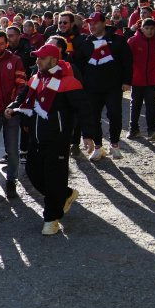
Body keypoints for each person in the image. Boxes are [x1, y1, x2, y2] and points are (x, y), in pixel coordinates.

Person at [7, 44, 96, 235]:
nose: (37, 61)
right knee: (32, 172)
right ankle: (64, 195)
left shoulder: (69, 82)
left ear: (53, 61)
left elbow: (85, 110)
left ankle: (51, 218)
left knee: (54, 178)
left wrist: (89, 135)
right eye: (37, 58)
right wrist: (13, 107)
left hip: (58, 139)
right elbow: (23, 97)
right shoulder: (35, 79)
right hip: (36, 138)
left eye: (41, 58)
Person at [76, 12, 132, 161]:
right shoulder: (86, 42)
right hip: (92, 88)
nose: (92, 26)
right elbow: (80, 64)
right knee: (94, 117)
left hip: (113, 86)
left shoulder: (118, 40)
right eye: (90, 23)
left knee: (114, 115)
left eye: (95, 23)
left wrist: (127, 81)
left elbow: (127, 62)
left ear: (103, 23)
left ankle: (114, 145)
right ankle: (99, 147)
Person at [0, 31, 27, 199]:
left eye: (2, 43)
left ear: (6, 43)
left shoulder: (16, 61)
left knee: (12, 150)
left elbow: (21, 86)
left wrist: (14, 106)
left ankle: (11, 181)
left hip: (11, 113)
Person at [127, 19, 155, 141]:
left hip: (153, 78)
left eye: (152, 28)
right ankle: (133, 129)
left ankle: (152, 130)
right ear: (141, 28)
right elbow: (126, 59)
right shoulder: (133, 41)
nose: (149, 31)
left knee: (151, 104)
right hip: (137, 79)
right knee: (136, 104)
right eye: (147, 28)